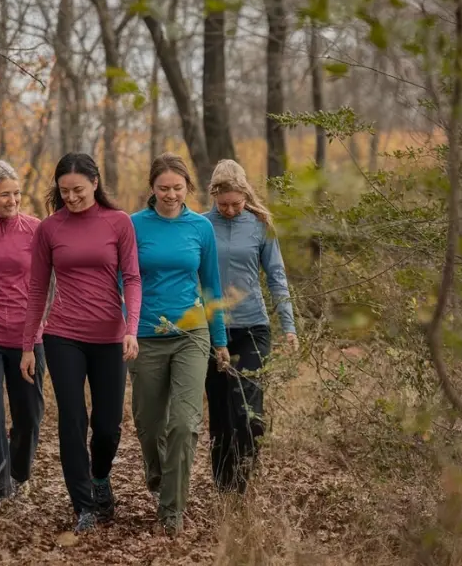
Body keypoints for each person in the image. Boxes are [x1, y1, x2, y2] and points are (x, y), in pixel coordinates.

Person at [19, 152, 142, 534]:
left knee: (108, 425)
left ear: (95, 182)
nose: (70, 197)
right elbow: (37, 287)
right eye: (63, 191)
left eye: (77, 190)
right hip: (63, 336)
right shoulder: (50, 229)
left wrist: (131, 327)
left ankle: (100, 476)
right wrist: (29, 343)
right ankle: (83, 505)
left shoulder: (118, 222)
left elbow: (133, 278)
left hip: (109, 336)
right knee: (72, 420)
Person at [129, 152, 231, 536]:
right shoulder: (133, 226)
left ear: (187, 187)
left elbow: (211, 286)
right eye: (163, 188)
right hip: (146, 335)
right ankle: (158, 475)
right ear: (151, 189)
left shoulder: (200, 228)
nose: (171, 195)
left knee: (185, 424)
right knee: (149, 423)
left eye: (177, 188)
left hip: (191, 334)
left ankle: (172, 508)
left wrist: (219, 340)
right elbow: (124, 281)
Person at [203, 158, 298, 494]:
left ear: (246, 195)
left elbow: (277, 276)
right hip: (212, 330)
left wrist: (289, 325)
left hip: (252, 328)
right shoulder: (200, 226)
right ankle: (223, 485)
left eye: (236, 204)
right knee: (221, 410)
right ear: (214, 196)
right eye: (223, 204)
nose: (229, 210)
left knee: (249, 411)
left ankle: (243, 479)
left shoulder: (260, 225)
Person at [0, 160, 46, 502]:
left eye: (16, 193)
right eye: (5, 195)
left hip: (28, 336)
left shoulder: (35, 229)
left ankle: (19, 473)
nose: (13, 200)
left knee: (29, 414)